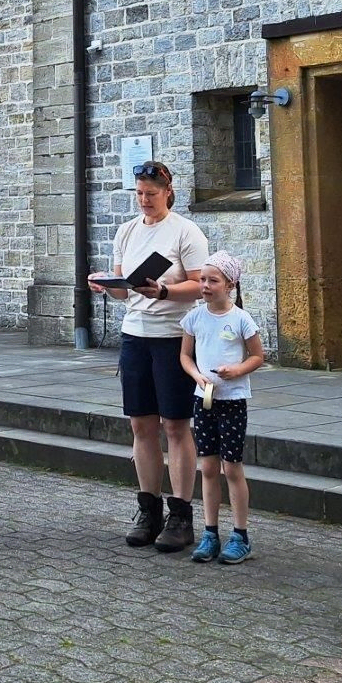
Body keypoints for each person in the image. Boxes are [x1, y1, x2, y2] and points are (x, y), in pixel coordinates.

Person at [89, 161, 209, 552]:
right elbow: (124, 290)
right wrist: (106, 285)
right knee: (141, 425)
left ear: (167, 193)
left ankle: (181, 516)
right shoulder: (126, 231)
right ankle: (148, 510)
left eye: (151, 194)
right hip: (135, 336)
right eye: (139, 193)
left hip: (173, 337)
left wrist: (164, 292)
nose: (144, 200)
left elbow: (200, 285)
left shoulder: (186, 231)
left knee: (175, 426)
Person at [179, 251, 265, 565]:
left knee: (232, 467)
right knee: (208, 468)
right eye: (202, 279)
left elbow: (257, 356)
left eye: (212, 280)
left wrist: (237, 370)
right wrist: (196, 376)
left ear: (230, 284)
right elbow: (185, 356)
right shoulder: (194, 318)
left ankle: (240, 535)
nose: (205, 285)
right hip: (204, 400)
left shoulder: (241, 319)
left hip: (232, 402)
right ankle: (210, 532)